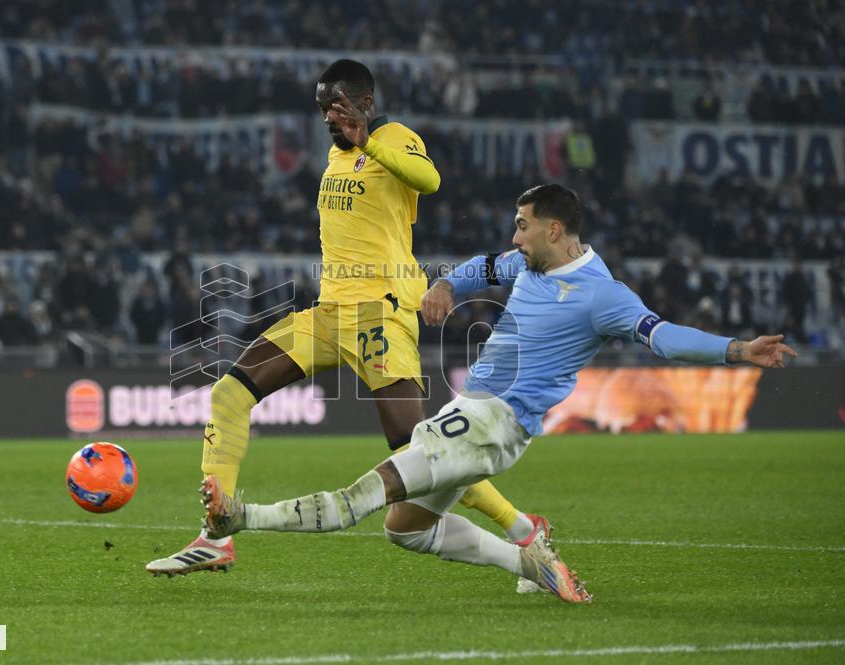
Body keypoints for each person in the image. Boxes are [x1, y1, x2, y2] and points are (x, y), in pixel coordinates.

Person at [195, 184, 797, 603]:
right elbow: (479, 267)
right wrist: (445, 288)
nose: (516, 235)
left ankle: (237, 518)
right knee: (404, 527)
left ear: (553, 229)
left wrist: (738, 350)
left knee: (361, 497)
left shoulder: (602, 295)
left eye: (523, 225)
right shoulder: (528, 265)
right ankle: (528, 558)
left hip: (492, 423)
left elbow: (662, 338)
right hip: (477, 419)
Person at [146, 60, 533, 576]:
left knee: (414, 447)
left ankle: (523, 528)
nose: (329, 117)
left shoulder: (394, 138)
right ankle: (215, 536)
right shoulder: (335, 156)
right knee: (230, 392)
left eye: (338, 105)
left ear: (365, 104)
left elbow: (431, 179)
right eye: (323, 107)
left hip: (380, 312)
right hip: (329, 313)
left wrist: (368, 139)